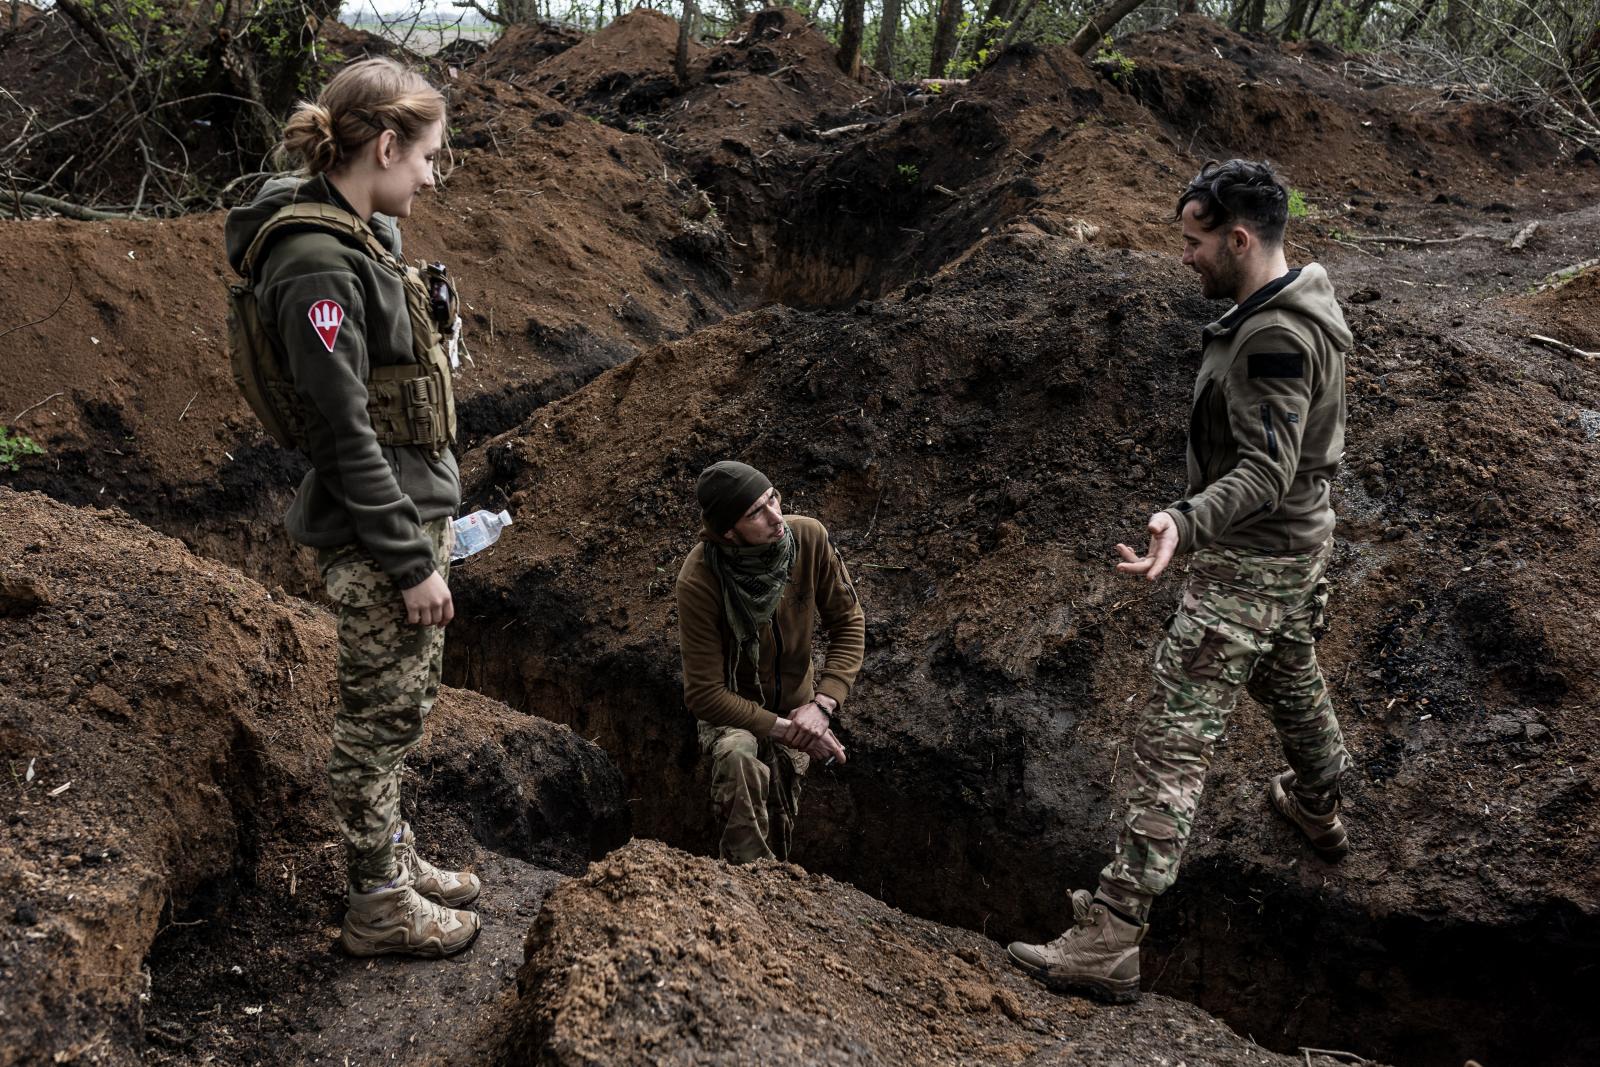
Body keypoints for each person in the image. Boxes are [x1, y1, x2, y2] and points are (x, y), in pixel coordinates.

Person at [1008, 159, 1355, 1003]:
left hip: (1250, 557)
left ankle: (1111, 936)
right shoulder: (1299, 296)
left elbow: (1268, 470)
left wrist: (1185, 517)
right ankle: (1319, 799)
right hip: (1297, 545)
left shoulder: (1273, 339)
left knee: (1173, 744)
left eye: (1197, 242)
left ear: (1240, 238)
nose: (1186, 257)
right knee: (1288, 668)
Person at [224, 58, 480, 958]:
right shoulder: (315, 265)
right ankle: (377, 901)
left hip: (407, 512)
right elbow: (341, 431)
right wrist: (409, 559)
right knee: (376, 723)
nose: (432, 174)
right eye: (428, 157)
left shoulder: (360, 233)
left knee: (404, 706)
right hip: (380, 531)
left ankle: (395, 859)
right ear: (383, 144)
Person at [676, 461, 864, 863]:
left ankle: (778, 893)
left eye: (773, 498)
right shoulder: (700, 580)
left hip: (798, 704)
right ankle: (749, 885)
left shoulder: (809, 538)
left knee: (781, 814)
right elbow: (704, 693)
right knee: (740, 758)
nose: (776, 516)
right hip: (732, 710)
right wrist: (788, 730)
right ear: (729, 530)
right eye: (755, 513)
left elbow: (849, 622)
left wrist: (822, 705)